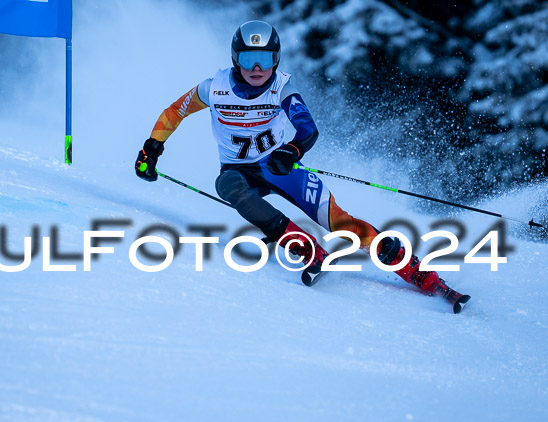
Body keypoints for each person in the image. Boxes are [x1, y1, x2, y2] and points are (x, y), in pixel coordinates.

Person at [135, 20, 470, 312]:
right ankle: (308, 249)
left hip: (280, 167)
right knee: (228, 186)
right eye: (249, 59)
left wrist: (292, 151)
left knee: (341, 224)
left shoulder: (282, 87)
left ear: (275, 59)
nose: (257, 68)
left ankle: (417, 272)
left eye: (264, 59)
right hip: (239, 171)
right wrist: (153, 147)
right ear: (236, 59)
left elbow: (308, 128)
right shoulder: (215, 88)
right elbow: (173, 112)